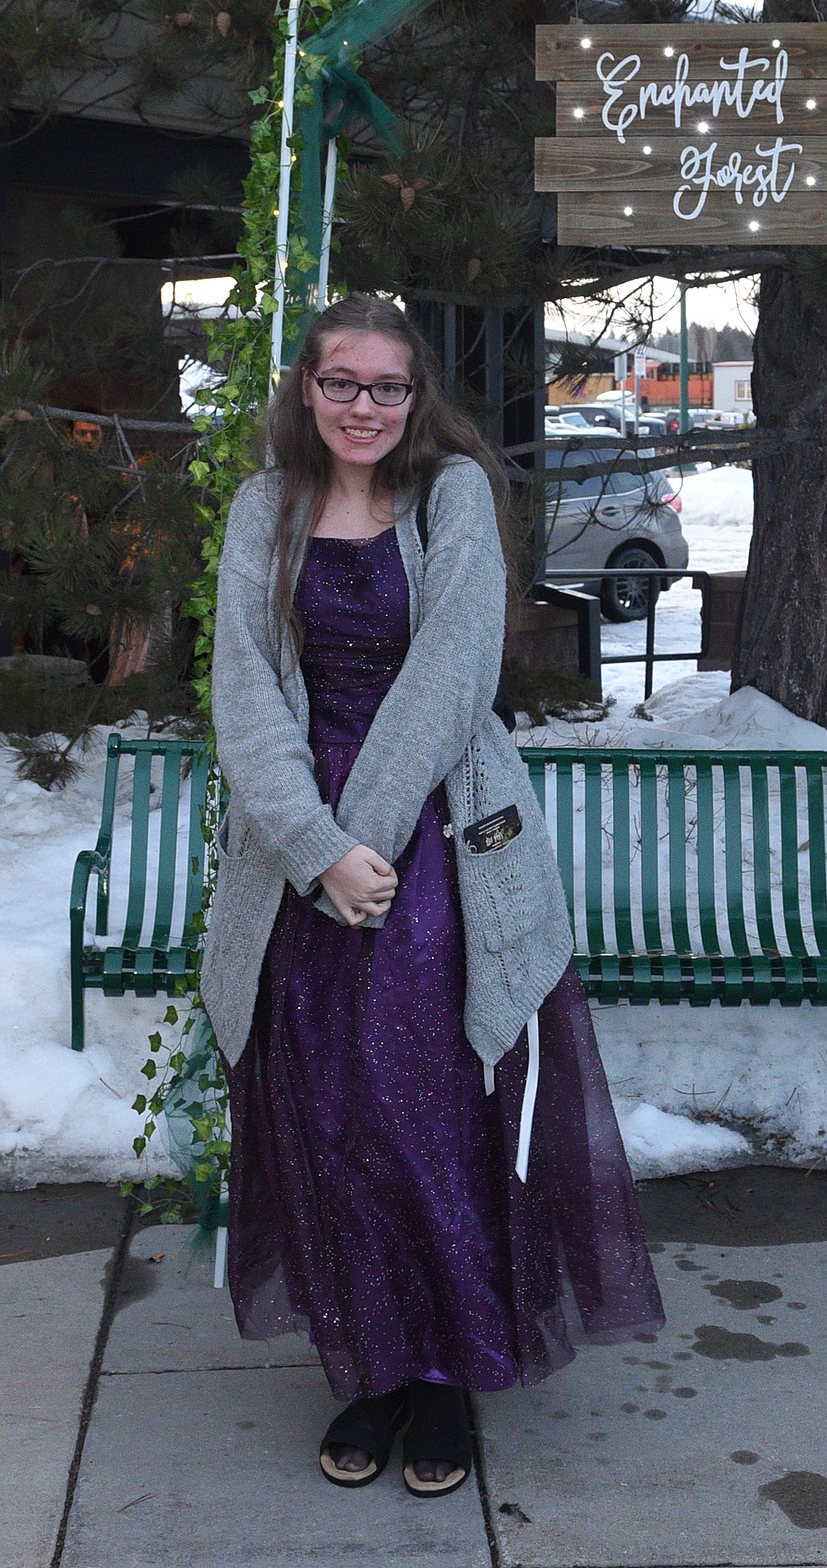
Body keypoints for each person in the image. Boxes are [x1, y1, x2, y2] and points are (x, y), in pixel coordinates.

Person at [202, 292, 664, 1496]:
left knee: (433, 1107)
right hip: (302, 846)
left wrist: (363, 842)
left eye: (386, 386)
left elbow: (455, 670)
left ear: (417, 398)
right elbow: (245, 691)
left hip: (433, 848)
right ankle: (374, 1363)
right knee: (329, 1114)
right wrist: (312, 848)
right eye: (340, 381)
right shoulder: (269, 507)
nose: (363, 405)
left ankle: (452, 1375)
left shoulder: (451, 495)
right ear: (305, 387)